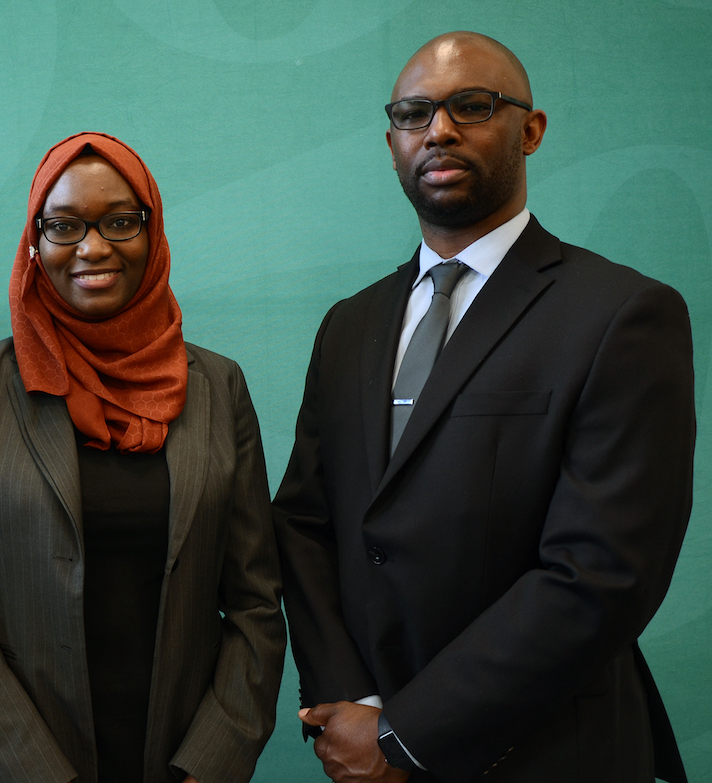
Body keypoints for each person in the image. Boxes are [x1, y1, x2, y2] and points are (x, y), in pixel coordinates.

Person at [273, 32, 695, 783]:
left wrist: (405, 734)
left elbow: (600, 573)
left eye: (472, 105)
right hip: (363, 744)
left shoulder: (623, 314)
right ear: (392, 140)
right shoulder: (349, 325)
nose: (439, 129)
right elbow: (306, 525)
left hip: (549, 752)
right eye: (414, 113)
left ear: (530, 129)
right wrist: (351, 703)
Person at [0, 132, 286, 783]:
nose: (92, 247)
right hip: (14, 766)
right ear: (34, 243)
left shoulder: (219, 387)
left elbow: (255, 601)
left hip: (176, 760)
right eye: (64, 226)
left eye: (119, 222)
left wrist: (211, 761)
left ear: (153, 231)